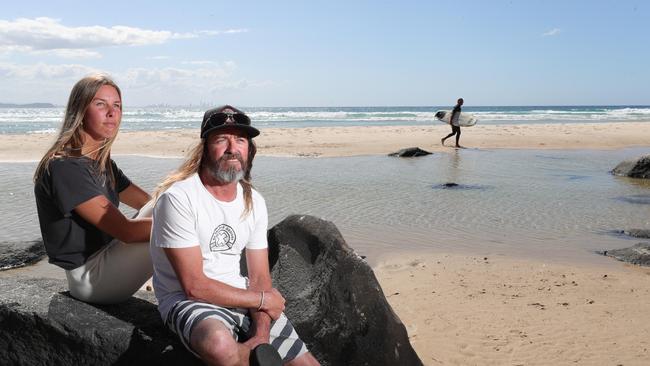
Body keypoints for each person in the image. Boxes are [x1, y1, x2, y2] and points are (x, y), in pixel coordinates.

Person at [150, 105, 320, 366]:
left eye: (240, 140)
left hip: (243, 296)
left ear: (249, 150)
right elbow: (194, 286)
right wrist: (263, 300)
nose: (232, 148)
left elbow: (260, 276)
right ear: (205, 147)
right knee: (220, 345)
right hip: (187, 302)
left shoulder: (254, 201)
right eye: (221, 139)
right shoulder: (179, 199)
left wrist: (261, 335)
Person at [33, 74, 153, 305]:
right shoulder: (65, 167)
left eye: (116, 105)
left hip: (110, 259)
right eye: (100, 104)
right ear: (80, 110)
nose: (112, 112)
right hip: (92, 279)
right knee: (183, 223)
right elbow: (126, 232)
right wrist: (189, 224)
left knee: (171, 202)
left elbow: (148, 202)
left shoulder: (100, 162)